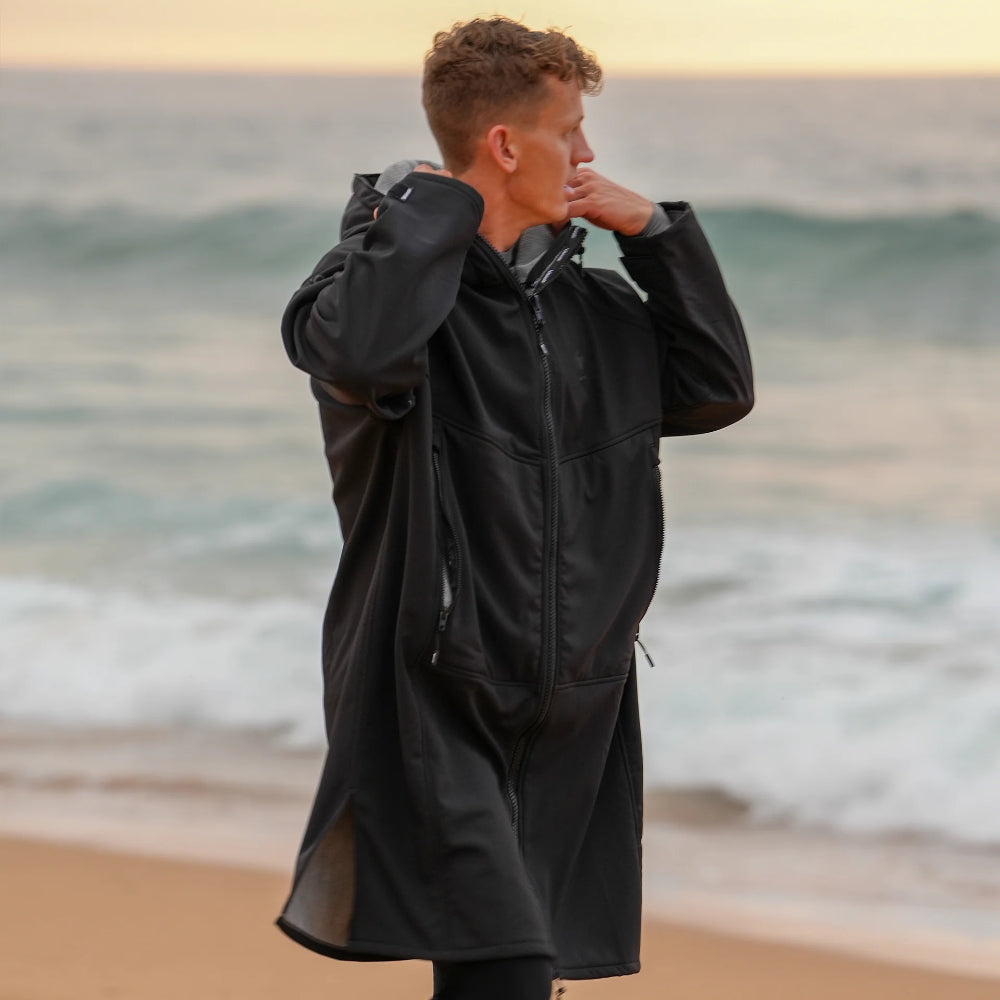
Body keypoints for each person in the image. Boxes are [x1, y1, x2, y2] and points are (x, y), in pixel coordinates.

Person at [276, 16, 753, 999]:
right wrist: (416, 209)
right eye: (570, 129)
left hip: (575, 704)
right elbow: (362, 352)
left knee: (510, 972)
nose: (586, 154)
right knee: (507, 964)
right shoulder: (374, 305)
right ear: (504, 144)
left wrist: (654, 235)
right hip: (431, 698)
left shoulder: (595, 313)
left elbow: (715, 385)